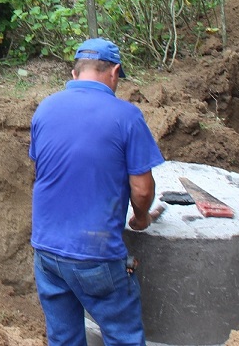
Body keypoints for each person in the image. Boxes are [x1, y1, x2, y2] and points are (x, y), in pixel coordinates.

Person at [29, 38, 165, 346]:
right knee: (123, 337)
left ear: (75, 74)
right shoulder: (126, 117)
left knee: (64, 339)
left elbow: (47, 172)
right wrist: (141, 218)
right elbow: (142, 191)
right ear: (115, 72)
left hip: (47, 250)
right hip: (95, 255)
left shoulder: (45, 109)